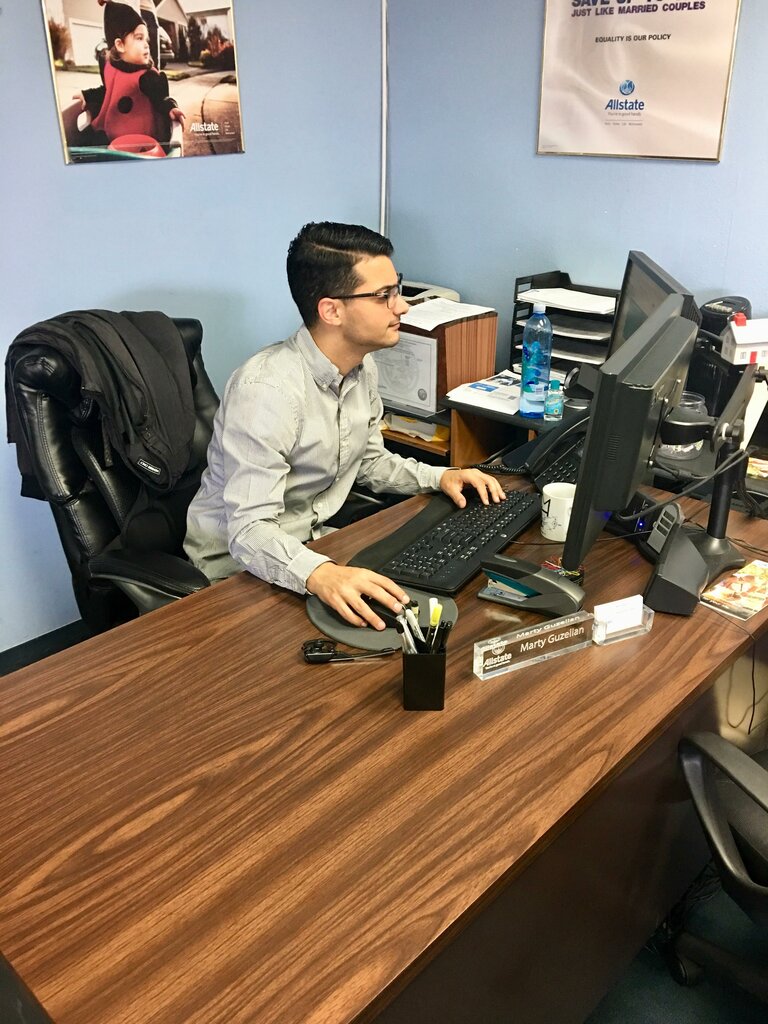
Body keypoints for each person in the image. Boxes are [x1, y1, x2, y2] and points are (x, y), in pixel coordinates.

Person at [184, 222, 506, 629]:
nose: (402, 307)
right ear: (331, 310)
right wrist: (321, 573)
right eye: (384, 296)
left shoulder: (361, 367)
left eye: (397, 289)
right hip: (237, 571)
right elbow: (248, 531)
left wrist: (439, 477)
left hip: (314, 546)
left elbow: (367, 461)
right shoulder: (265, 391)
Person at [73, 1, 184, 145]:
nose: (147, 45)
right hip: (113, 137)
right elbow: (109, 92)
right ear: (120, 45)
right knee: (87, 139)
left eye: (146, 39)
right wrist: (86, 95)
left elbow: (160, 98)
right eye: (139, 38)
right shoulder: (111, 69)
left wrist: (171, 107)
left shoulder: (146, 76)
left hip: (142, 143)